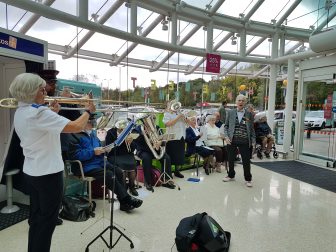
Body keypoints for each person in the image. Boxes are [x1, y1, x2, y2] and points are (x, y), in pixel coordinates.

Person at [9, 72, 96, 252]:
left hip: (32, 172)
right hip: (48, 174)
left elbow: (41, 128)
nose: (46, 93)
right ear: (32, 92)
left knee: (37, 219)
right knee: (47, 222)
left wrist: (52, 112)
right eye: (42, 90)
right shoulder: (39, 113)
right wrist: (88, 111)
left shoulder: (21, 111)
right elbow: (77, 126)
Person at [68, 117, 143, 212]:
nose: (92, 124)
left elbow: (100, 149)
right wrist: (93, 152)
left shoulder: (93, 135)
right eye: (89, 122)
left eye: (92, 121)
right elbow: (75, 155)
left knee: (119, 171)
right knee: (108, 175)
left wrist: (105, 150)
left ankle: (124, 203)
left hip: (99, 163)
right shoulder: (74, 135)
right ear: (83, 123)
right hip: (85, 166)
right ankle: (126, 199)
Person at [223, 94, 256, 187]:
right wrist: (226, 137)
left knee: (246, 161)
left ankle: (248, 179)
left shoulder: (249, 114)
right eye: (239, 100)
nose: (241, 102)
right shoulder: (230, 112)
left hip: (245, 140)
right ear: (236, 102)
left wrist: (253, 141)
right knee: (230, 159)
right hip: (232, 140)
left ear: (245, 103)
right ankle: (231, 175)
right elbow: (226, 126)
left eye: (243, 100)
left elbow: (252, 129)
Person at [134, 119, 176, 191]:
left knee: (166, 157)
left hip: (155, 149)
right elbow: (135, 142)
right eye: (150, 119)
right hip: (143, 150)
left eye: (153, 119)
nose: (152, 121)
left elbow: (163, 140)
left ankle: (166, 180)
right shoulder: (138, 129)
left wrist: (160, 142)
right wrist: (143, 134)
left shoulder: (157, 127)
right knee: (146, 158)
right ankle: (148, 182)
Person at [105, 119, 138, 196]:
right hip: (114, 154)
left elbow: (133, 149)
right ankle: (123, 188)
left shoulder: (129, 132)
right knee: (122, 168)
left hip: (127, 155)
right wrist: (121, 141)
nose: (122, 129)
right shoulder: (110, 133)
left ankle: (132, 186)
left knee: (132, 166)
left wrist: (130, 143)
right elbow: (109, 148)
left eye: (124, 128)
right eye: (121, 128)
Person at [163, 100, 188, 178]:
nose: (176, 107)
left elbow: (187, 123)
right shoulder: (167, 114)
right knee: (171, 155)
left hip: (181, 136)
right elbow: (167, 124)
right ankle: (169, 172)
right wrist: (178, 117)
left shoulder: (180, 113)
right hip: (172, 137)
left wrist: (185, 118)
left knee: (179, 156)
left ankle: (177, 171)